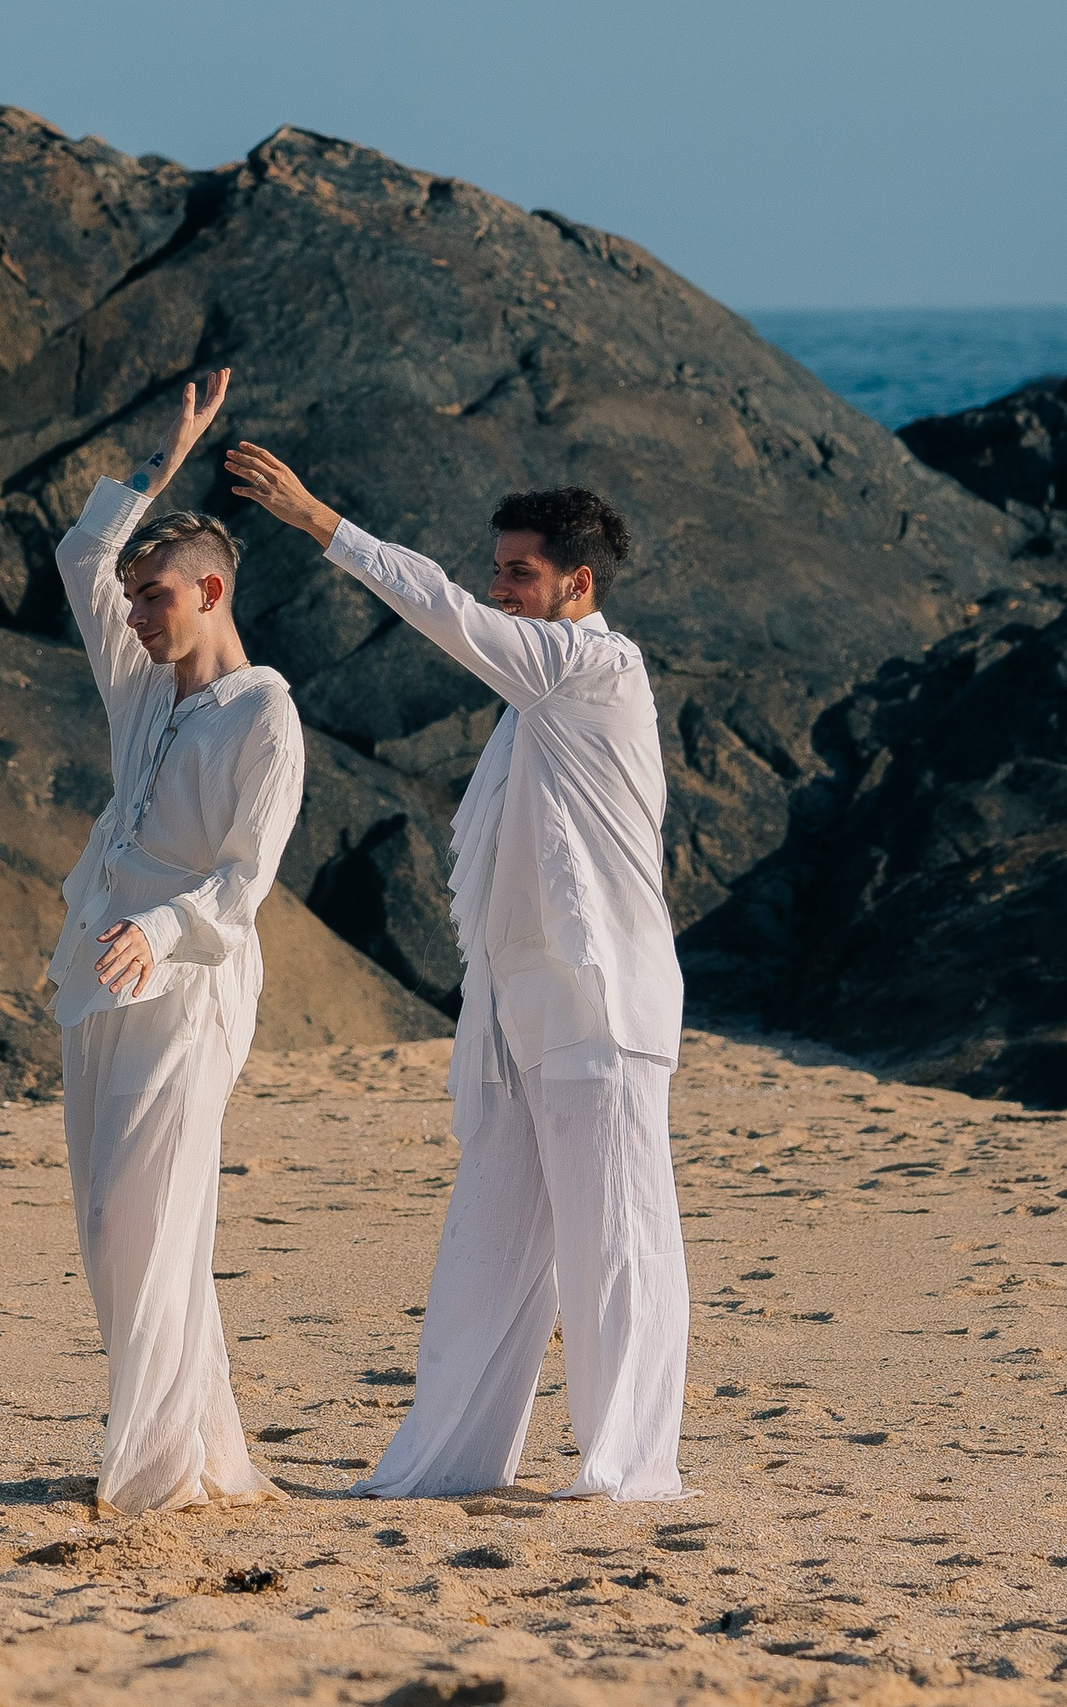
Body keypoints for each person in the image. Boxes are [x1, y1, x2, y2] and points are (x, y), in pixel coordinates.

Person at [223, 441, 689, 1502]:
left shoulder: (590, 668)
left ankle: (625, 1473)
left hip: (598, 1004)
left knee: (616, 1242)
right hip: (519, 1013)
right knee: (484, 1251)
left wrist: (316, 519)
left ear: (577, 586)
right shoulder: (538, 700)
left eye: (518, 573)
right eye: (498, 567)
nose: (496, 587)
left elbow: (435, 606)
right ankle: (445, 1466)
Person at [48, 369, 305, 1515]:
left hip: (190, 978)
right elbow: (75, 560)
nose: (137, 613)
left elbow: (244, 881)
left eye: (156, 597)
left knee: (145, 1219)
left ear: (209, 590)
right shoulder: (142, 688)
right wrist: (162, 461)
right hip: (96, 970)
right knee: (106, 1223)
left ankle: (154, 1470)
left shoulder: (266, 715)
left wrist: (158, 931)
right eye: (137, 597)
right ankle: (196, 1451)